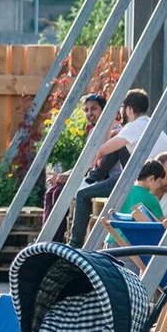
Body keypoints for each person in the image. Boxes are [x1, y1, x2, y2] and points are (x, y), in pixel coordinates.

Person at [69, 88, 167, 248]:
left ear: (130, 109)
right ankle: (93, 178)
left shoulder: (134, 126)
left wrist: (108, 133)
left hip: (141, 179)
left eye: (123, 108)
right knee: (120, 145)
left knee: (82, 194)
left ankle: (74, 245)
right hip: (155, 174)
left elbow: (102, 149)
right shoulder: (152, 125)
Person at [44, 93, 108, 241]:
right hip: (91, 175)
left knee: (59, 192)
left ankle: (55, 241)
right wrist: (63, 175)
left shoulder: (108, 130)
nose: (89, 113)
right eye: (86, 110)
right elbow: (85, 161)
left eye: (93, 109)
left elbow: (92, 164)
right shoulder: (92, 131)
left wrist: (69, 176)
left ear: (103, 109)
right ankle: (46, 238)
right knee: (51, 191)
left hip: (103, 177)